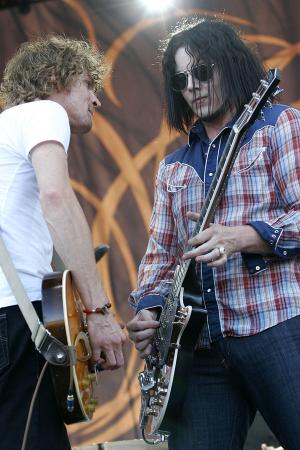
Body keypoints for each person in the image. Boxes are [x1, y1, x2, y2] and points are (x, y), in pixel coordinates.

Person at [127, 17, 300, 450]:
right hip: (199, 348)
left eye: (202, 72)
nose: (193, 86)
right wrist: (149, 310)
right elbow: (161, 256)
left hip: (275, 325)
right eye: (181, 78)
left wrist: (244, 236)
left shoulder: (279, 126)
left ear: (229, 65)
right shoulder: (173, 167)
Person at [0, 35, 126, 450]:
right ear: (55, 77)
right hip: (15, 323)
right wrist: (99, 311)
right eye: (89, 83)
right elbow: (56, 198)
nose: (97, 99)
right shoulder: (42, 112)